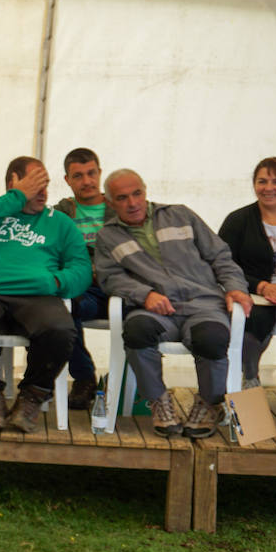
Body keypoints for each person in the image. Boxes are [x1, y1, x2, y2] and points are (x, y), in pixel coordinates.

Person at [96, 170, 252, 437]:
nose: (132, 203)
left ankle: (209, 403)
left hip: (204, 304)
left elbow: (221, 256)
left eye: (137, 193)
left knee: (212, 339)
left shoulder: (180, 214)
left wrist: (236, 288)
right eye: (122, 198)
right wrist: (144, 294)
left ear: (145, 191)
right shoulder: (108, 236)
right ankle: (158, 401)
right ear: (109, 203)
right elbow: (110, 278)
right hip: (154, 310)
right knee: (136, 331)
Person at [0, 156, 91, 432]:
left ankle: (32, 397)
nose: (43, 191)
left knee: (60, 330)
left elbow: (82, 267)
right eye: (35, 183)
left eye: (45, 184)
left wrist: (56, 281)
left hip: (39, 295)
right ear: (14, 181)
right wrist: (18, 196)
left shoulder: (60, 223)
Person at [219, 157, 276, 388]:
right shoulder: (238, 221)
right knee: (250, 323)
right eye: (262, 181)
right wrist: (263, 287)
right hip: (256, 295)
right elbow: (223, 264)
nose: (269, 188)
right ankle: (249, 380)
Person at [52, 147, 114, 410]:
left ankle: (114, 381)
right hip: (82, 292)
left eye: (91, 173)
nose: (87, 181)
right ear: (67, 180)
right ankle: (85, 377)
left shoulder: (120, 206)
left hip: (117, 291)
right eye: (78, 176)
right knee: (63, 308)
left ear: (100, 173)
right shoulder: (59, 214)